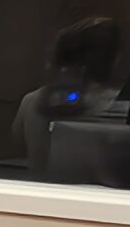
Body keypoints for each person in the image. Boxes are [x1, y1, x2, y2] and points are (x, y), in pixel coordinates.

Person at [13, 16, 123, 176]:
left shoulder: (31, 100)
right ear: (115, 58)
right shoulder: (117, 105)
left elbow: (18, 144)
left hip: (39, 194)